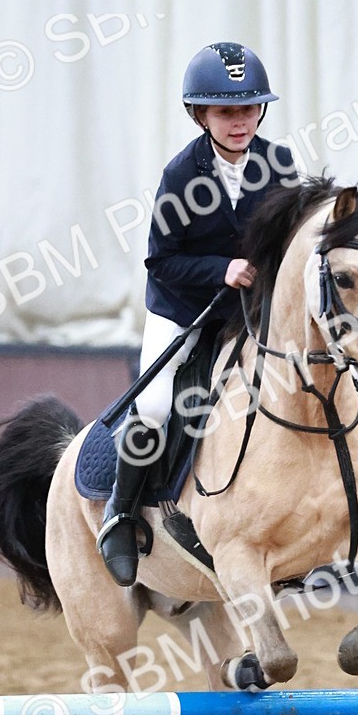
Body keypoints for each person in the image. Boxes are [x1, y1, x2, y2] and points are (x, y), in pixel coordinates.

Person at [97, 41, 297, 585]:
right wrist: (222, 270)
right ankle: (120, 514)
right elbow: (161, 260)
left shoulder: (278, 163)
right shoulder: (181, 175)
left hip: (249, 313)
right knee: (158, 406)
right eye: (227, 111)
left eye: (250, 107)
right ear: (200, 114)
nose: (241, 121)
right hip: (184, 309)